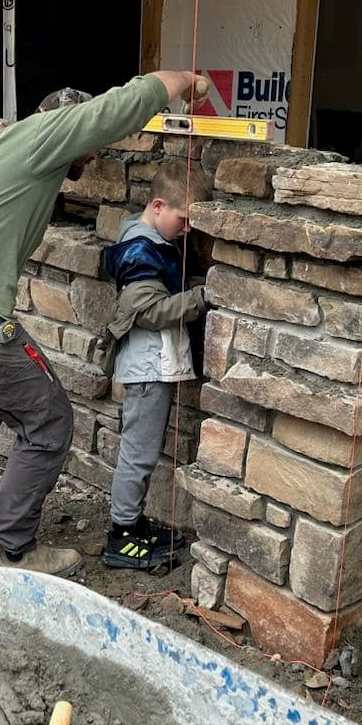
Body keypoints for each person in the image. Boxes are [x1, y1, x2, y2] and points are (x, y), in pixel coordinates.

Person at [0, 71, 206, 578]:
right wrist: (178, 81)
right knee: (51, 417)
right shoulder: (43, 137)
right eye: (89, 146)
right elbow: (116, 108)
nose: (93, 157)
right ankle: (13, 548)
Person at [99, 160, 213, 570]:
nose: (187, 230)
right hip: (149, 367)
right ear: (159, 206)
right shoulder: (141, 250)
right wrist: (202, 299)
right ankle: (121, 535)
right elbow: (147, 311)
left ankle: (132, 521)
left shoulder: (152, 240)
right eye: (183, 220)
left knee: (142, 450)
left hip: (156, 364)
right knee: (139, 452)